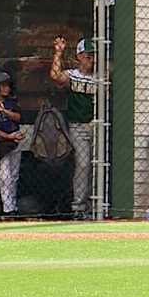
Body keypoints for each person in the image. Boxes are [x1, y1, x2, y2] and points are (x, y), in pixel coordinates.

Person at [49, 35, 98, 218]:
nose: (91, 59)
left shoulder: (100, 76)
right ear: (79, 56)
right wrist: (58, 53)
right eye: (87, 55)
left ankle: (96, 206)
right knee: (84, 164)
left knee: (99, 165)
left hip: (98, 126)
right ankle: (79, 207)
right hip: (79, 125)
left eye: (93, 55)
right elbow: (55, 75)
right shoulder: (73, 75)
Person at [0, 70, 23, 217]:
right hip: (1, 143)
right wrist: (8, 136)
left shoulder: (12, 101)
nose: (6, 88)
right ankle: (7, 209)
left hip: (15, 141)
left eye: (7, 85)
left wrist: (5, 111)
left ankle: (12, 206)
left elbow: (18, 117)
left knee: (14, 176)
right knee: (4, 176)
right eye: (2, 85)